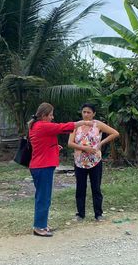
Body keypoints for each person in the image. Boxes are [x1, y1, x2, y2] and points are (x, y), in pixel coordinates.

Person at [28, 102, 93, 237]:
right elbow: (62, 127)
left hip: (40, 165)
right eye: (51, 115)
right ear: (44, 115)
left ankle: (42, 224)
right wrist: (82, 123)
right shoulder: (42, 125)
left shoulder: (37, 125)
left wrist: (54, 148)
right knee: (43, 197)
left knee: (43, 196)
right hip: (42, 166)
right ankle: (39, 227)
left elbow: (41, 144)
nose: (52, 117)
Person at [68, 103, 119, 222]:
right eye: (84, 112)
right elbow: (70, 143)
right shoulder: (76, 125)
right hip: (80, 162)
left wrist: (101, 143)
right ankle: (80, 214)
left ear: (93, 114)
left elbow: (115, 133)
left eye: (89, 112)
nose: (86, 114)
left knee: (96, 188)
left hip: (95, 161)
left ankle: (98, 214)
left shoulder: (98, 124)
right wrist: (84, 148)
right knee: (80, 188)